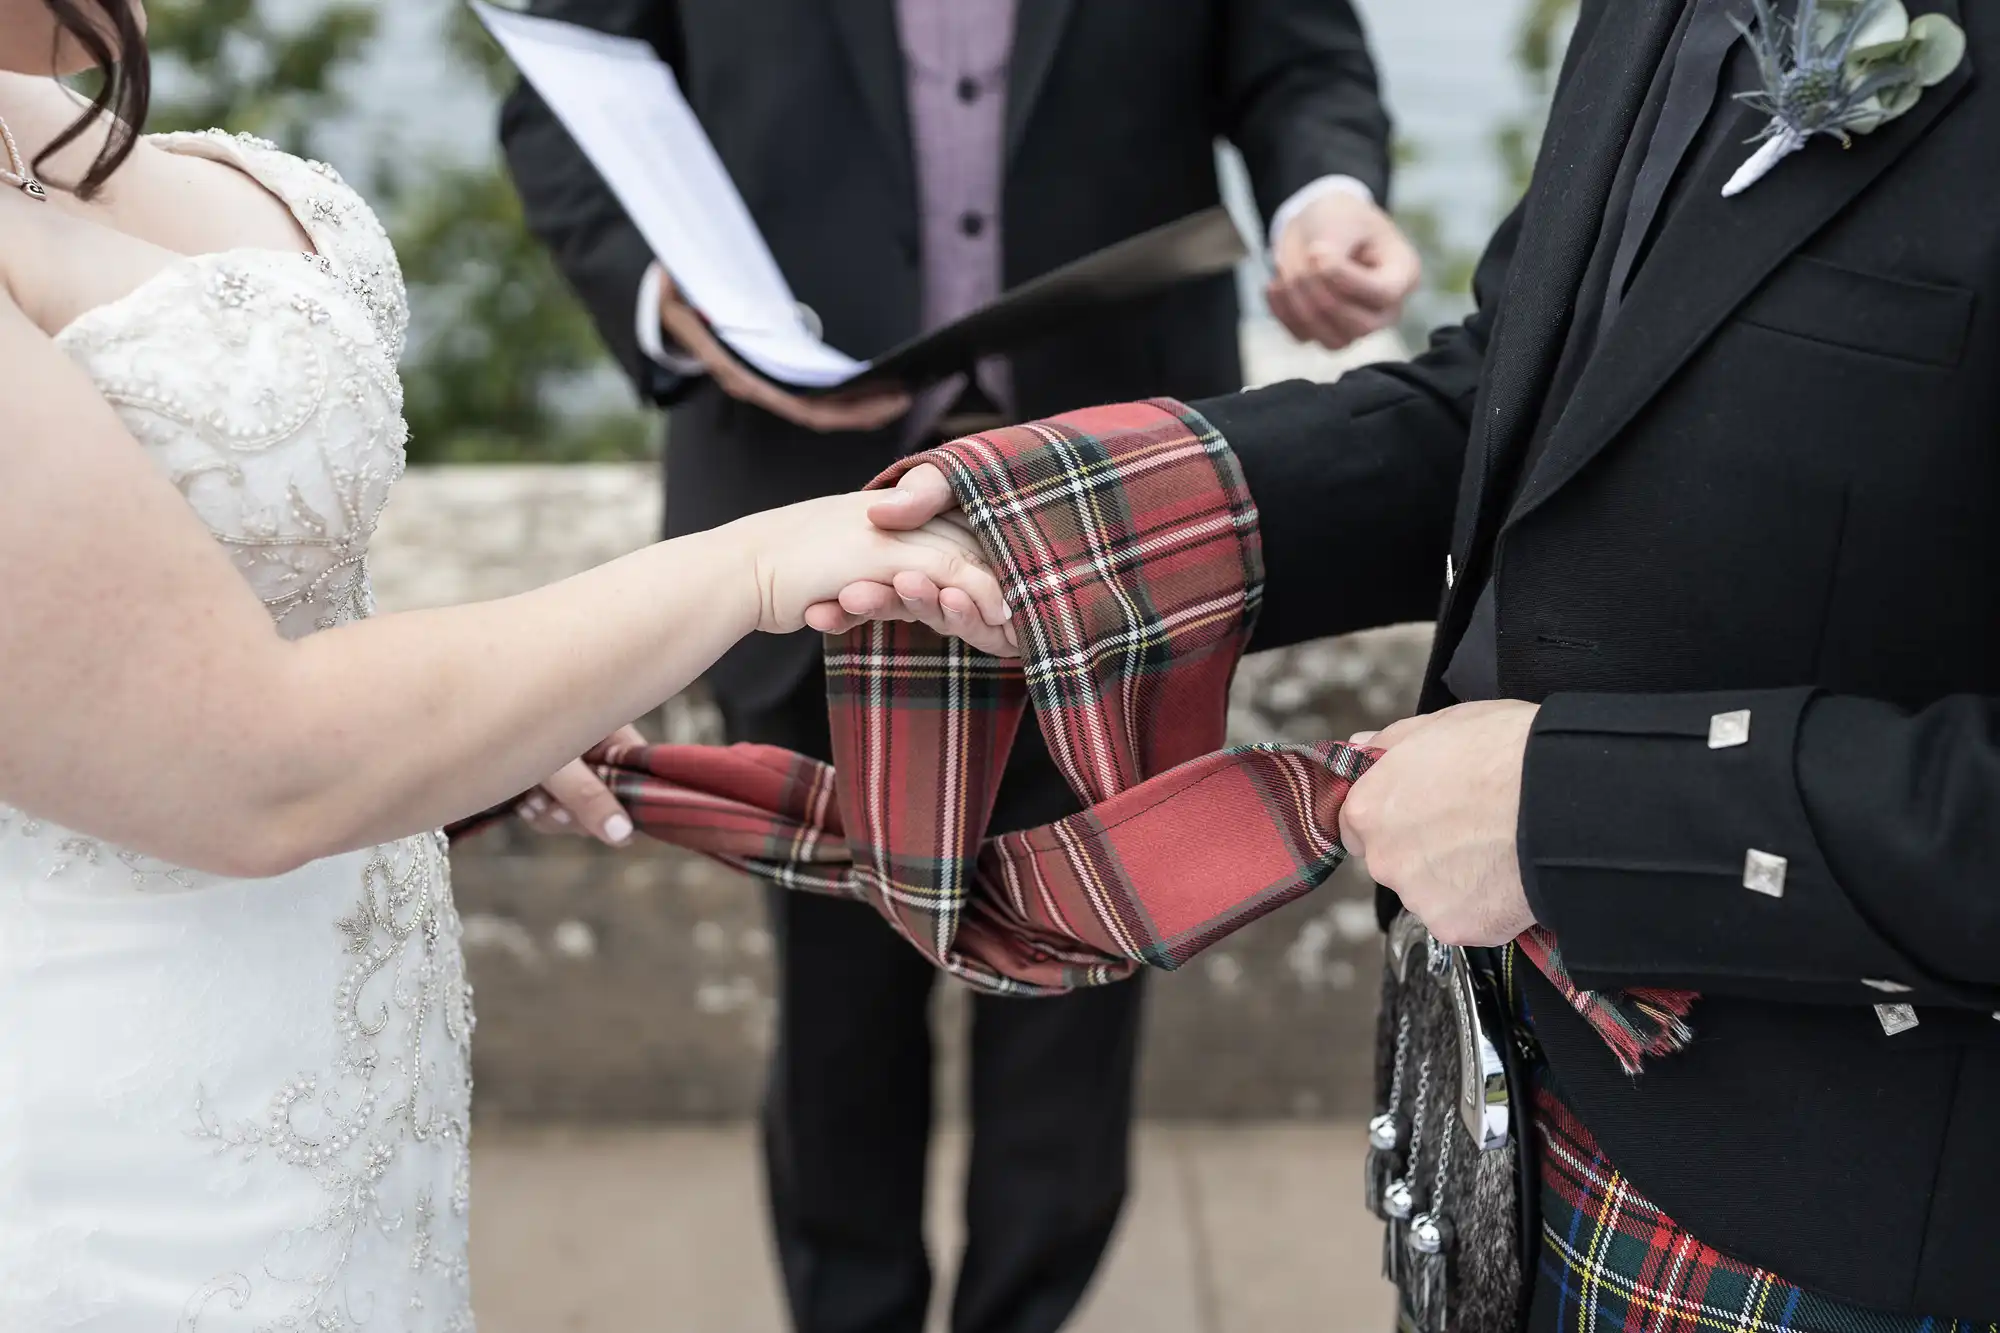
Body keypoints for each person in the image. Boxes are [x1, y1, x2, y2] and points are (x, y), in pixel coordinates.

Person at [829, 0, 2000, 1326]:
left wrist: (1569, 816)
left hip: (1863, 1231)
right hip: (1515, 1129)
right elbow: (1516, 399)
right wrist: (1070, 524)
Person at [0, 2, 1009, 1325]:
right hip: (123, 1124)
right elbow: (246, 765)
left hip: (338, 1086)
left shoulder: (39, 126)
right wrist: (748, 567)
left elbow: (181, 603)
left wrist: (498, 710)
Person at [497, 5, 1416, 1332]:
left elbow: (1298, 59)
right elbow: (561, 93)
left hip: (1116, 503)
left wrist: (1321, 200)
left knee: (1080, 1016)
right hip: (793, 511)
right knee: (833, 1029)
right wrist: (667, 301)